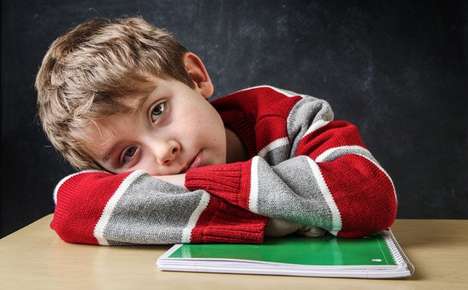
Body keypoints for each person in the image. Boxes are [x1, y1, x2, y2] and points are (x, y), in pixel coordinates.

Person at [34, 16, 397, 245]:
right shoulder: (153, 161)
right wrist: (297, 213)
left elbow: (368, 194)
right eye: (128, 155)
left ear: (195, 78)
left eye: (158, 111)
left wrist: (176, 194)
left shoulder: (289, 117)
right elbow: (72, 206)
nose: (163, 152)